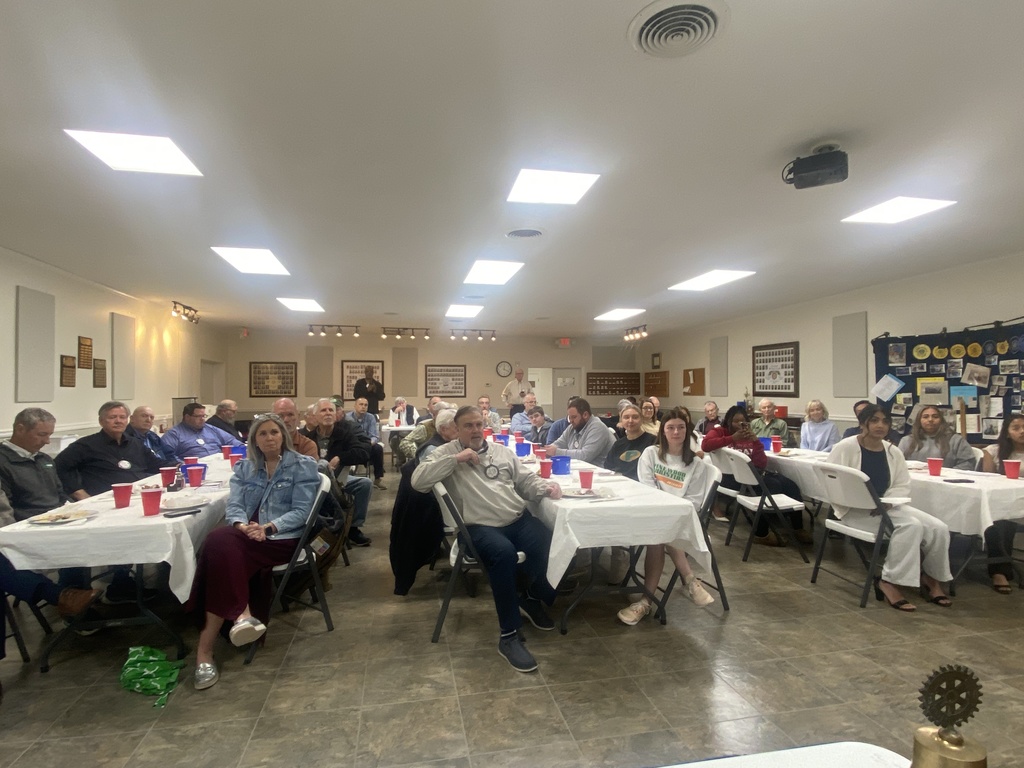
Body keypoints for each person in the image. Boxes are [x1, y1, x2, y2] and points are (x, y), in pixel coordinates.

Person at [411, 406, 562, 673]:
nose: (476, 430)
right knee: (502, 555)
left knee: (551, 540)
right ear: (456, 430)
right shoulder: (445, 453)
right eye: (468, 426)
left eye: (479, 424)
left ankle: (530, 596)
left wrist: (546, 487)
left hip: (515, 518)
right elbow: (418, 481)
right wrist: (456, 459)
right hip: (478, 527)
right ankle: (509, 636)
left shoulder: (501, 452)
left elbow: (525, 481)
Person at [188, 413, 320, 690]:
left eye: (274, 432)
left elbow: (302, 512)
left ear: (283, 435)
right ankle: (240, 618)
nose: (269, 438)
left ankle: (208, 648)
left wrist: (269, 527)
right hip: (246, 535)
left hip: (282, 538)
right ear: (254, 440)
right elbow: (234, 506)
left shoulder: (303, 466)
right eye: (263, 434)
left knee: (215, 546)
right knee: (219, 543)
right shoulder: (244, 469)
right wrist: (240, 525)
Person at [827, 404, 953, 611]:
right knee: (911, 526)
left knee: (938, 527)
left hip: (887, 507)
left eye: (885, 421)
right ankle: (889, 581)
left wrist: (887, 502)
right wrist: (866, 503)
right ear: (862, 423)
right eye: (874, 420)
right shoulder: (845, 447)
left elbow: (902, 484)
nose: (880, 425)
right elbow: (832, 482)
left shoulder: (893, 451)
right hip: (856, 511)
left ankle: (931, 578)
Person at [617, 408, 716, 624]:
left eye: (681, 427)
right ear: (663, 431)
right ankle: (689, 579)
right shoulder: (650, 454)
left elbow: (694, 502)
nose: (676, 431)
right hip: (652, 512)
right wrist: (664, 512)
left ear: (687, 431)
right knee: (659, 531)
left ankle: (645, 602)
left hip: (680, 518)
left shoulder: (696, 465)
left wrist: (669, 513)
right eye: (670, 427)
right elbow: (647, 488)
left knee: (658, 536)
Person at [0, 407, 92, 592]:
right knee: (79, 540)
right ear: (20, 429)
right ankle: (71, 595)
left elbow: (59, 492)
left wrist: (69, 508)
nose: (47, 441)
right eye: (41, 435)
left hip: (59, 517)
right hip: (29, 524)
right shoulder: (4, 461)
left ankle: (111, 584)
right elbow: (6, 510)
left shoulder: (43, 459)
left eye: (49, 435)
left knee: (97, 532)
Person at [701, 405, 810, 546]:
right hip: (730, 478)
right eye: (735, 421)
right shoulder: (720, 432)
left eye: (743, 421)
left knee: (790, 485)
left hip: (753, 475)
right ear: (728, 421)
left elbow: (761, 462)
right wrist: (732, 438)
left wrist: (756, 441)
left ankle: (797, 528)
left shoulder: (749, 436)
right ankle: (761, 533)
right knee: (771, 486)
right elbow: (706, 445)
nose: (739, 424)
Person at [55, 401, 165, 500]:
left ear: (127, 421)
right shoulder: (85, 445)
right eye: (112, 417)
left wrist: (179, 465)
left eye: (122, 417)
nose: (118, 421)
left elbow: (155, 464)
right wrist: (78, 492)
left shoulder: (135, 443)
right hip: (106, 500)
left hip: (139, 495)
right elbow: (59, 467)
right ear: (101, 421)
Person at [310, 398, 373, 546]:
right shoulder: (308, 437)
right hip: (313, 483)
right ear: (315, 416)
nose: (328, 413)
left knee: (365, 484)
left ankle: (353, 527)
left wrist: (341, 457)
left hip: (339, 479)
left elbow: (363, 452)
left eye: (331, 410)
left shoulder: (344, 434)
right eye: (323, 410)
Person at [979, 413, 1024, 593]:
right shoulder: (993, 451)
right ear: (1006, 432)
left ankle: (1003, 567)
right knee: (1000, 520)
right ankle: (999, 570)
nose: (1022, 431)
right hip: (1001, 503)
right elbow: (987, 480)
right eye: (1016, 428)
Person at [898, 405, 976, 470]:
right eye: (925, 417)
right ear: (919, 421)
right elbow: (897, 465)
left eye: (935, 417)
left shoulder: (956, 440)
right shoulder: (906, 441)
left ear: (941, 420)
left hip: (947, 483)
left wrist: (945, 474)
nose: (930, 419)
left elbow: (967, 464)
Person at [161, 402, 243, 461]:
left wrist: (244, 449)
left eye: (204, 416)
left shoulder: (211, 429)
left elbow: (231, 441)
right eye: (198, 416)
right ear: (187, 417)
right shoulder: (174, 434)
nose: (202, 419)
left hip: (218, 463)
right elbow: (167, 454)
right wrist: (183, 465)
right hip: (194, 468)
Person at [545, 398, 615, 465]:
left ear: (585, 415)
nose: (571, 421)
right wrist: (547, 450)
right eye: (570, 417)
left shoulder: (597, 427)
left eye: (574, 417)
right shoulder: (572, 427)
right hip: (582, 470)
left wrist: (556, 452)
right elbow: (559, 443)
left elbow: (585, 456)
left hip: (601, 472)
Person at [604, 404, 656, 481]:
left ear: (642, 419)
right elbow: (608, 467)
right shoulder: (618, 444)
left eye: (635, 417)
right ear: (621, 420)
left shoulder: (653, 441)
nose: (630, 421)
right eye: (626, 417)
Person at [346, 397, 388, 489]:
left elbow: (374, 436)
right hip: (353, 445)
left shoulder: (371, 417)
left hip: (368, 444)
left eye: (365, 405)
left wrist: (370, 443)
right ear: (355, 406)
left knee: (378, 449)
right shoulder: (348, 418)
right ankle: (347, 477)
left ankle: (377, 479)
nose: (363, 407)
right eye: (361, 404)